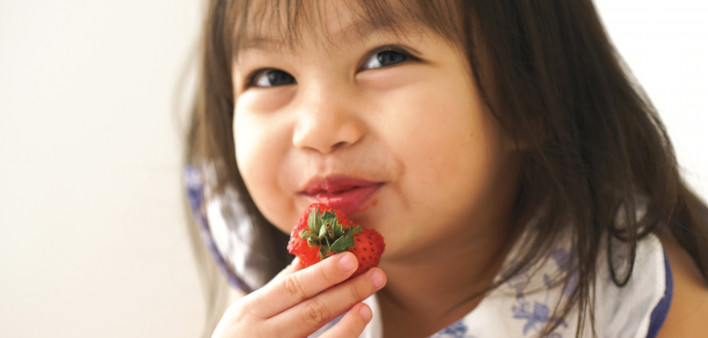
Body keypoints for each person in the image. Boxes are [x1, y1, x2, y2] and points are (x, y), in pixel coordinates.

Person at [184, 1, 708, 337]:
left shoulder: (637, 300)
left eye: (386, 57)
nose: (317, 130)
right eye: (272, 74)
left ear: (530, 99)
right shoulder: (267, 264)